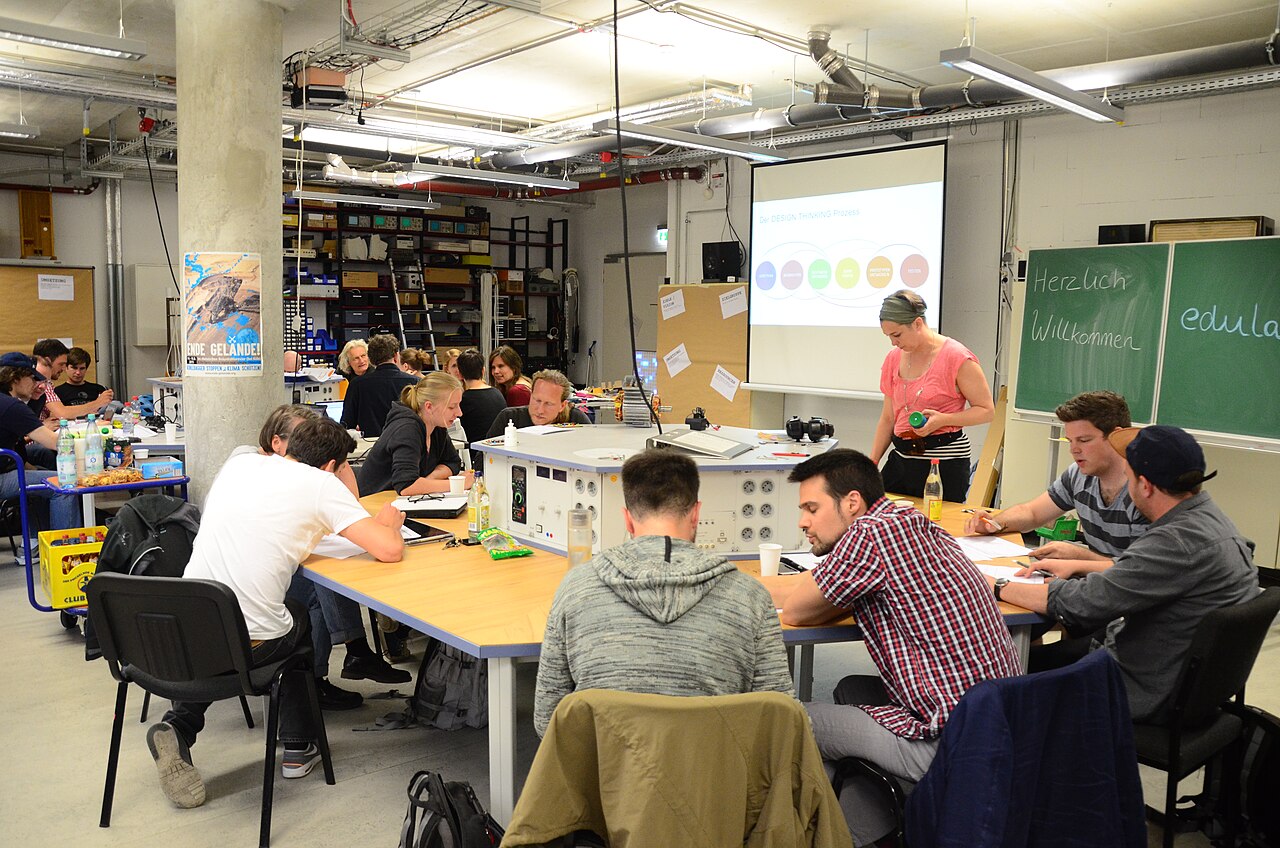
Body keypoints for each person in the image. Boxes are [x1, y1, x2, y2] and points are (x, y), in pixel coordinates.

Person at [147, 416, 405, 809]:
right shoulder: (321, 486)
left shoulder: (242, 463)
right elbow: (387, 549)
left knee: (276, 611)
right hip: (247, 644)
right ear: (333, 467)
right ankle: (298, 751)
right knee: (295, 619)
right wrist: (386, 523)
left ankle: (178, 726)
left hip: (186, 627)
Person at [769, 448, 1020, 846]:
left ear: (852, 502)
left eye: (812, 509)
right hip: (997, 725)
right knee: (851, 688)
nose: (803, 522)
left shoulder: (868, 535)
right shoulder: (909, 519)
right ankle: (864, 834)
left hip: (949, 742)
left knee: (787, 719)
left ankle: (830, 835)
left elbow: (798, 611)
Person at [995, 425, 1259, 723]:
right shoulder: (1208, 519)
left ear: (1144, 485)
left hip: (1141, 690)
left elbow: (1082, 604)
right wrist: (1083, 563)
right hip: (1182, 682)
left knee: (994, 678)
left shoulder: (1174, 542)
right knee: (1037, 659)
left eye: (1128, 476)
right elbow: (1140, 576)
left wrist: (997, 586)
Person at [533, 449, 794, 737]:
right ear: (696, 514)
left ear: (627, 520)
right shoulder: (751, 598)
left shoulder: (575, 589)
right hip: (716, 779)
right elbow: (782, 725)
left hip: (605, 779)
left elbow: (547, 721)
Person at [244, 406, 410, 709]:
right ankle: (317, 685)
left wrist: (336, 462)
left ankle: (331, 669)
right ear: (277, 441)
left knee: (322, 579)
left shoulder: (247, 467)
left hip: (210, 613)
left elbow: (349, 503)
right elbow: (388, 548)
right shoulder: (310, 482)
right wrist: (388, 528)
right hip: (256, 625)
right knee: (322, 586)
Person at [965, 390, 1148, 576]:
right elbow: (1032, 513)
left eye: (1084, 440)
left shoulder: (1146, 491)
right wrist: (994, 523)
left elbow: (1140, 573)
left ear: (1117, 436)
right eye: (1070, 441)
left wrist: (1079, 557)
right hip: (1100, 581)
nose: (1074, 450)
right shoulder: (1079, 475)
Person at [870, 291, 994, 502]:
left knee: (937, 525)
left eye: (897, 335)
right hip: (902, 459)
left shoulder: (957, 357)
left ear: (917, 323)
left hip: (943, 464)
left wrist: (944, 420)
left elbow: (986, 411)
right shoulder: (893, 359)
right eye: (888, 336)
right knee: (882, 518)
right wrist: (871, 463)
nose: (893, 342)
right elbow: (888, 418)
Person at [0, 359, 79, 533]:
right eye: (31, 378)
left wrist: (32, 468)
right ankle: (64, 550)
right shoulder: (12, 406)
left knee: (41, 473)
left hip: (5, 466)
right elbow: (56, 442)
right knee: (63, 484)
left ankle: (36, 542)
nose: (36, 384)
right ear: (15, 379)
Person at [356, 372, 466, 497]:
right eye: (452, 407)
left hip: (399, 501)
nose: (459, 413)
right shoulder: (407, 429)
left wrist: (429, 480)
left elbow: (452, 462)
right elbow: (406, 485)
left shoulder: (437, 426)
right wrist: (459, 484)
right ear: (429, 407)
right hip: (375, 503)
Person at [340, 334, 418, 437]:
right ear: (395, 356)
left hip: (371, 447)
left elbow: (347, 424)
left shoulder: (357, 385)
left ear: (371, 359)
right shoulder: (415, 382)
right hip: (407, 443)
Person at [484, 369, 590, 438]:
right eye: (537, 400)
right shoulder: (508, 418)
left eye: (548, 404)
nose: (540, 410)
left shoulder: (577, 421)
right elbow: (482, 459)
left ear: (562, 406)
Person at [29, 338, 113, 423]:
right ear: (48, 361)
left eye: (82, 368)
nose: (63, 368)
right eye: (61, 364)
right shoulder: (41, 383)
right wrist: (98, 403)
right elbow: (62, 413)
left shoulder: (48, 383)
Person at [456, 348, 506, 467]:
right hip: (499, 456)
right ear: (483, 371)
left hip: (475, 458)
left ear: (459, 374)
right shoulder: (498, 394)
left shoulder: (463, 400)